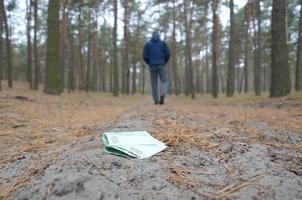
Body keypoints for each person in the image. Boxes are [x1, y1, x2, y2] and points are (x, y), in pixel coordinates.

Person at [143, 32, 170, 105]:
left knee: (154, 83)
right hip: (161, 65)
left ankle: (156, 100)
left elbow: (145, 56)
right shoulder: (163, 44)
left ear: (152, 36)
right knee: (164, 81)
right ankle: (162, 95)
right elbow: (168, 53)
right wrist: (164, 61)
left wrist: (149, 62)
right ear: (159, 36)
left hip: (152, 66)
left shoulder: (148, 44)